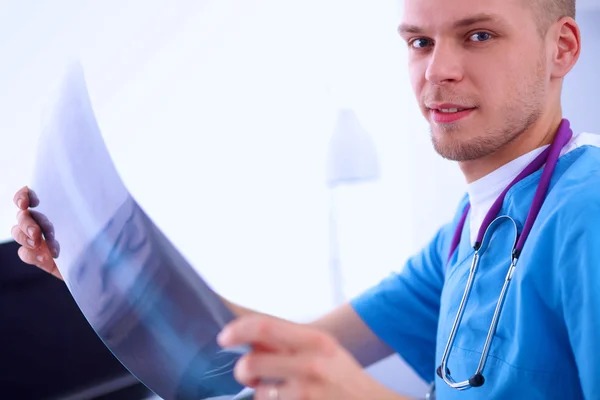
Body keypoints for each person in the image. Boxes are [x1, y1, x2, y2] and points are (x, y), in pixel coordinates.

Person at [10, 0, 599, 398]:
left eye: (479, 35)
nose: (437, 71)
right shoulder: (468, 233)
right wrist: (92, 267)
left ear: (563, 49)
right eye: (419, 42)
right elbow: (270, 344)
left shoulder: (586, 211)